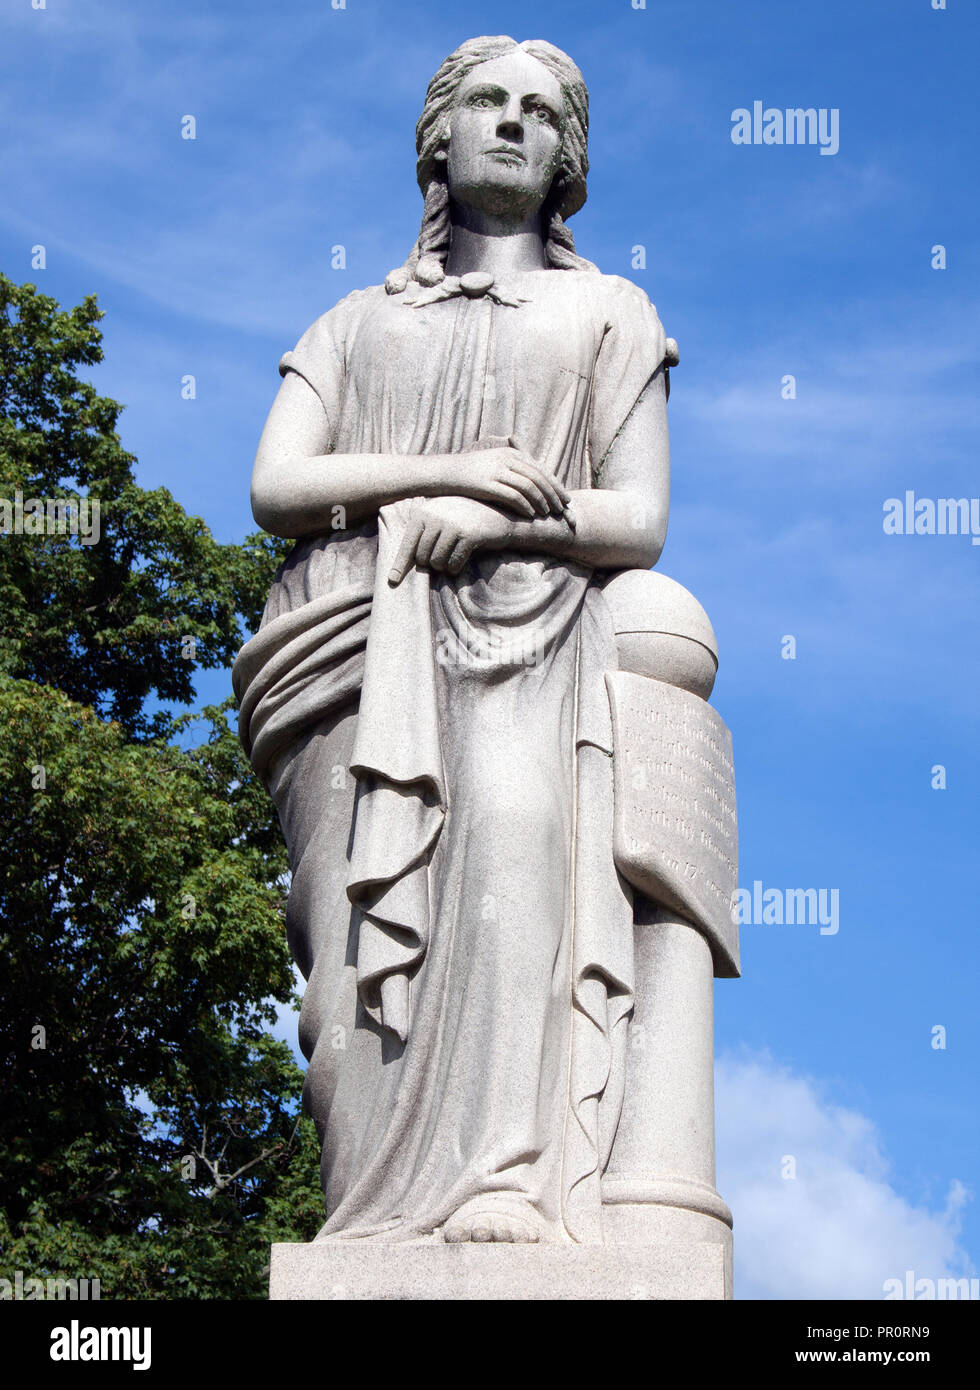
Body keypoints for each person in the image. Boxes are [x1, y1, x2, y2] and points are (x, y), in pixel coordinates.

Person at [233, 35, 672, 1245]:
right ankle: (370, 1214)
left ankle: (503, 1173)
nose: (513, 122)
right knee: (359, 941)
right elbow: (278, 486)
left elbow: (635, 516)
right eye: (487, 101)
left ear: (567, 156)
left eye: (542, 111)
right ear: (437, 134)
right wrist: (442, 475)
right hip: (352, 641)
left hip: (534, 639)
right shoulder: (351, 322)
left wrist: (476, 524)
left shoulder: (608, 312)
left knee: (518, 861)